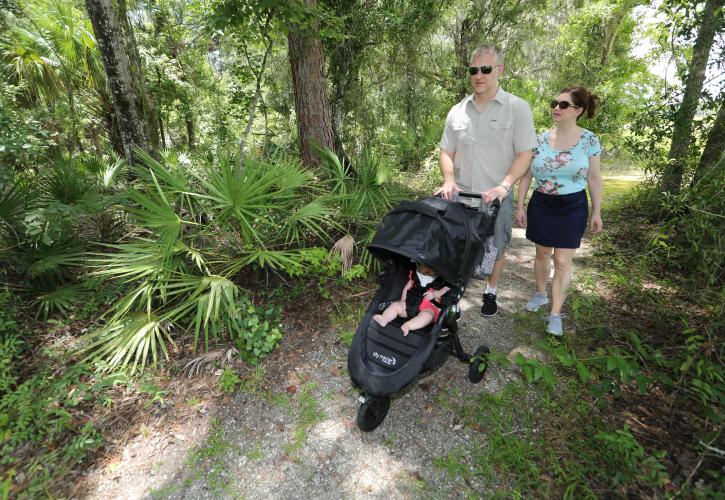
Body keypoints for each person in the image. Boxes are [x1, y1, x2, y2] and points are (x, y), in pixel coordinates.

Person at [436, 43, 537, 317]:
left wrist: (505, 185)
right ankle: (454, 296)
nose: (479, 75)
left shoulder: (517, 108)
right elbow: (446, 151)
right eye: (474, 70)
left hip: (497, 197)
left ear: (499, 70)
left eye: (486, 69)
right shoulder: (457, 111)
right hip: (460, 197)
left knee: (497, 248)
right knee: (457, 247)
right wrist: (448, 179)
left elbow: (525, 154)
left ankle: (490, 292)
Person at [515, 85, 603, 336]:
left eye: (563, 105)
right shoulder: (540, 139)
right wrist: (520, 205)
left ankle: (555, 313)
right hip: (542, 204)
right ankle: (541, 294)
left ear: (578, 110)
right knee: (542, 253)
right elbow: (526, 175)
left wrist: (597, 211)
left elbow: (595, 178)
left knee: (562, 260)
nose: (556, 108)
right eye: (555, 103)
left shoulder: (589, 140)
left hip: (572, 206)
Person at [373, 262, 450, 336]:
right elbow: (407, 287)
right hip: (409, 303)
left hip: (427, 307)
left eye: (430, 271)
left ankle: (408, 326)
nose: (427, 273)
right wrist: (403, 300)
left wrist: (435, 294)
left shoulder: (441, 280)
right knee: (396, 305)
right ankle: (384, 318)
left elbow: (444, 290)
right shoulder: (415, 275)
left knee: (428, 316)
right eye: (424, 270)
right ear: (418, 264)